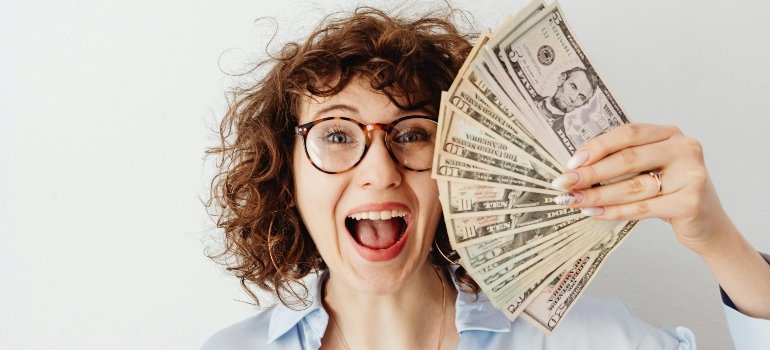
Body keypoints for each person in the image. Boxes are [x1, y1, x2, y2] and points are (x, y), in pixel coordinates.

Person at [202, 6, 770, 350]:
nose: (379, 172)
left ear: (459, 163)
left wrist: (715, 236)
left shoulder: (577, 338)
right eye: (337, 134)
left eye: (412, 134)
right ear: (287, 173)